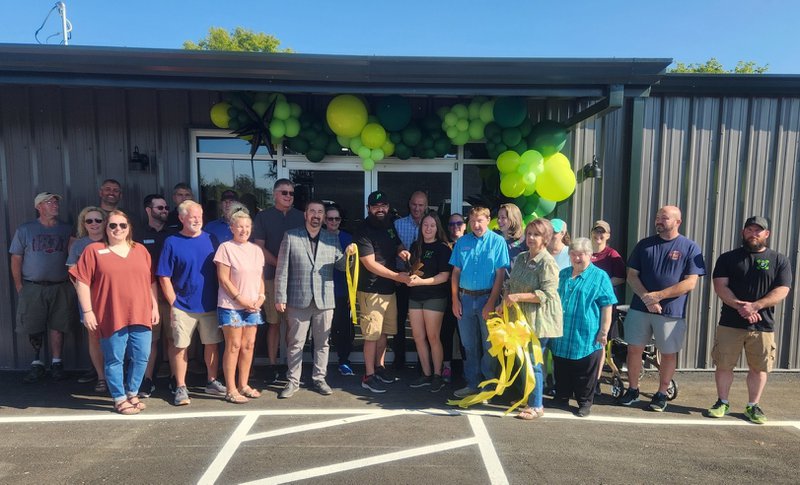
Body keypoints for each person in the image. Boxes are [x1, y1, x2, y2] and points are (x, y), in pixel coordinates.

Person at [70, 210, 158, 414]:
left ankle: (132, 392)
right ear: (106, 228)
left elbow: (151, 281)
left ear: (129, 229)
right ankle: (119, 397)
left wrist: (154, 305)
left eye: (122, 225)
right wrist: (88, 311)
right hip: (111, 314)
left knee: (142, 355)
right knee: (114, 358)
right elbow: (81, 282)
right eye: (112, 225)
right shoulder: (93, 250)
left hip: (141, 312)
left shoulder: (141, 251)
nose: (117, 229)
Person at [619, 205, 706, 412]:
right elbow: (632, 275)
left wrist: (658, 296)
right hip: (640, 309)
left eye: (664, 218)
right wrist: (647, 298)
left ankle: (661, 393)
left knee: (667, 353)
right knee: (634, 349)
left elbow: (690, 283)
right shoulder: (644, 245)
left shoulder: (690, 247)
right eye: (657, 217)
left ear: (678, 222)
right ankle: (632, 389)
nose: (659, 221)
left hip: (671, 313)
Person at [706, 216, 792, 424]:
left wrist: (756, 306)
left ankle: (753, 406)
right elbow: (720, 286)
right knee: (724, 365)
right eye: (749, 230)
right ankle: (722, 402)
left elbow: (782, 290)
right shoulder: (728, 258)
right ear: (743, 232)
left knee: (759, 368)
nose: (753, 234)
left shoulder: (779, 260)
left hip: (763, 325)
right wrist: (740, 306)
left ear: (767, 234)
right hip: (730, 323)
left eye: (758, 230)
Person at [275, 200, 353, 398]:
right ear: (306, 214)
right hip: (297, 298)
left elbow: (341, 267)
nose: (316, 215)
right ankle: (293, 381)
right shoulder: (291, 236)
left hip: (324, 300)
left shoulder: (331, 238)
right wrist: (280, 296)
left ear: (323, 216)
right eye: (313, 211)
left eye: (320, 212)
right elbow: (282, 270)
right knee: (295, 343)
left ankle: (319, 378)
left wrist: (348, 255)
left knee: (323, 343)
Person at [157, 200, 226, 406]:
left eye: (200, 216)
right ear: (181, 218)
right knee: (180, 347)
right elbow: (164, 276)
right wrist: (173, 303)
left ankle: (211, 381)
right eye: (192, 217)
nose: (197, 220)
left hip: (209, 304)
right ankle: (180, 386)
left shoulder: (212, 239)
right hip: (183, 306)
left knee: (211, 345)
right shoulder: (172, 242)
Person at [10, 192, 77, 383]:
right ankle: (36, 362)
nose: (55, 205)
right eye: (50, 202)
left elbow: (73, 256)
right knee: (34, 324)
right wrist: (19, 286)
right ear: (39, 206)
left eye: (56, 202)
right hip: (32, 286)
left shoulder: (66, 229)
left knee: (58, 325)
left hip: (60, 286)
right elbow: (16, 258)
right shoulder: (25, 229)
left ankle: (57, 362)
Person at [550, 238, 616, 417]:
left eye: (581, 255)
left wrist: (604, 331)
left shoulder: (599, 276)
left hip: (586, 333)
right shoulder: (562, 274)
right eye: (573, 254)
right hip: (562, 333)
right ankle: (562, 396)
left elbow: (607, 305)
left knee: (584, 370)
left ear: (590, 255)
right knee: (561, 366)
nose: (576, 258)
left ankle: (584, 402)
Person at [354, 190, 412, 393]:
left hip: (389, 289)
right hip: (371, 289)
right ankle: (368, 375)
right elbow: (369, 264)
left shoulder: (389, 224)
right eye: (376, 206)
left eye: (384, 206)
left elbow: (396, 244)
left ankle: (380, 367)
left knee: (383, 333)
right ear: (369, 208)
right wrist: (397, 277)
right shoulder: (362, 229)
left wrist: (402, 251)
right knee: (371, 335)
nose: (380, 209)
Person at [504, 218, 562, 419]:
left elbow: (547, 294)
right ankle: (528, 398)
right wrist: (503, 302)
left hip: (538, 321)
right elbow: (510, 284)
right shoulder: (521, 258)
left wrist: (518, 297)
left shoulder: (547, 262)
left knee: (534, 362)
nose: (531, 238)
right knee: (523, 361)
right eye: (529, 234)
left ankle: (537, 405)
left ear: (545, 238)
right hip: (519, 320)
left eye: (536, 235)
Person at [449, 206, 509, 398]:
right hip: (465, 299)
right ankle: (472, 384)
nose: (476, 225)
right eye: (473, 221)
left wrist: (491, 302)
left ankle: (488, 384)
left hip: (487, 298)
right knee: (468, 344)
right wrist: (455, 300)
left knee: (489, 344)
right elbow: (455, 272)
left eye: (480, 221)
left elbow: (500, 275)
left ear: (488, 220)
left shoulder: (498, 242)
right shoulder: (462, 242)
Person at [253, 179, 305, 383]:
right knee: (274, 323)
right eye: (284, 192)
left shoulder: (301, 216)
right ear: (274, 194)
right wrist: (281, 265)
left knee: (294, 326)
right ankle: (273, 365)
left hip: (297, 280)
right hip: (271, 278)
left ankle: (293, 367)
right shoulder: (263, 216)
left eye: (291, 193)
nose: (288, 196)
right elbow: (259, 247)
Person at [214, 208, 265, 404]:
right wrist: (241, 300)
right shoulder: (225, 248)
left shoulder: (256, 250)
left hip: (253, 305)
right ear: (232, 228)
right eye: (240, 226)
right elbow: (223, 279)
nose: (244, 230)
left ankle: (244, 384)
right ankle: (231, 388)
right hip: (231, 305)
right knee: (234, 345)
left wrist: (261, 297)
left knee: (248, 345)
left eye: (247, 226)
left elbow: (260, 278)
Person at [133, 194, 175, 398]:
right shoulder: (137, 236)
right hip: (147, 297)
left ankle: (176, 380)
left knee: (174, 339)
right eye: (159, 208)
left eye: (166, 208)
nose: (164, 211)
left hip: (172, 295)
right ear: (148, 210)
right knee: (150, 341)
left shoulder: (174, 234)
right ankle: (146, 381)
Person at [407, 213, 452, 392]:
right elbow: (412, 270)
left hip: (434, 296)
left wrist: (422, 282)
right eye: (425, 225)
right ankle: (425, 374)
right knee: (418, 337)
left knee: (433, 337)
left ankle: (437, 375)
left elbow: (444, 276)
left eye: (432, 225)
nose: (428, 228)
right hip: (415, 297)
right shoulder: (415, 246)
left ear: (437, 228)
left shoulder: (443, 248)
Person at [67, 206, 107, 392]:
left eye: (98, 220)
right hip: (89, 301)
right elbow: (72, 273)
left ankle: (119, 376)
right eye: (89, 221)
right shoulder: (79, 245)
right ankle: (101, 377)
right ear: (84, 224)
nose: (94, 224)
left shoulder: (112, 240)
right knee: (95, 338)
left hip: (111, 298)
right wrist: (84, 296)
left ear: (104, 222)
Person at [392, 191, 429, 369]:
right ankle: (399, 359)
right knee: (398, 321)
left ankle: (424, 362)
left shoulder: (430, 225)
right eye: (414, 204)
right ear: (409, 204)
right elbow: (389, 248)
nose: (417, 208)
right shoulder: (397, 224)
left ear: (426, 206)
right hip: (401, 279)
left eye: (421, 205)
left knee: (422, 323)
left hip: (423, 282)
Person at [589, 219, 626, 395]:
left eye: (602, 232)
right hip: (585, 305)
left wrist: (599, 287)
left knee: (600, 343)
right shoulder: (585, 252)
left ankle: (595, 381)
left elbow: (621, 277)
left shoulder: (612, 254)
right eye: (596, 231)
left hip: (604, 306)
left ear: (608, 235)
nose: (599, 235)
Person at [325, 204, 355, 376]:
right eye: (330, 218)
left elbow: (353, 267)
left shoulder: (348, 238)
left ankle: (344, 360)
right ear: (324, 220)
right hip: (322, 290)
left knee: (344, 328)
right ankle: (319, 363)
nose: (334, 222)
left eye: (337, 219)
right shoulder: (318, 237)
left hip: (343, 290)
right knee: (322, 330)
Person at [441, 212, 466, 382]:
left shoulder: (470, 244)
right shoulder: (444, 246)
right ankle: (447, 366)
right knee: (446, 333)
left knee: (466, 336)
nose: (455, 227)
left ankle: (468, 369)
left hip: (467, 295)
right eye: (451, 224)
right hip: (446, 295)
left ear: (465, 225)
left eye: (458, 223)